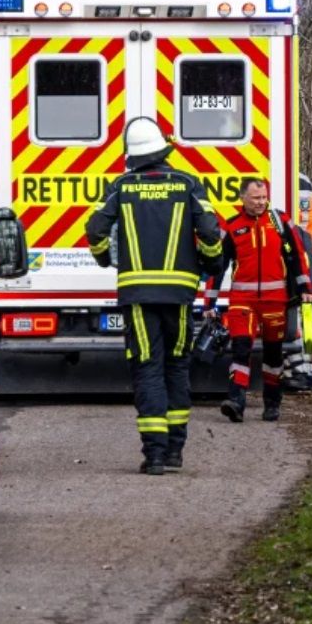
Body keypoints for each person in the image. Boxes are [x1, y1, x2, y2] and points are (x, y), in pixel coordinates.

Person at [85, 116, 224, 475]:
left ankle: (155, 455)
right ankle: (175, 451)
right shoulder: (188, 184)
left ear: (131, 155)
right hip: (179, 295)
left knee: (147, 368)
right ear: (163, 149)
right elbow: (210, 234)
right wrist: (212, 264)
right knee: (177, 366)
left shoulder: (121, 186)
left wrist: (103, 259)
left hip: (138, 296)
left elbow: (95, 230)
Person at [213, 178, 312, 423]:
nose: (261, 202)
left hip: (275, 300)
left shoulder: (280, 222)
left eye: (263, 197)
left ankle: (272, 403)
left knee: (273, 355)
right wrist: (210, 302)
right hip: (241, 300)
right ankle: (236, 402)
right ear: (242, 198)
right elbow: (218, 267)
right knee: (241, 348)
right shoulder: (233, 226)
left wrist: (305, 288)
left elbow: (297, 256)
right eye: (256, 198)